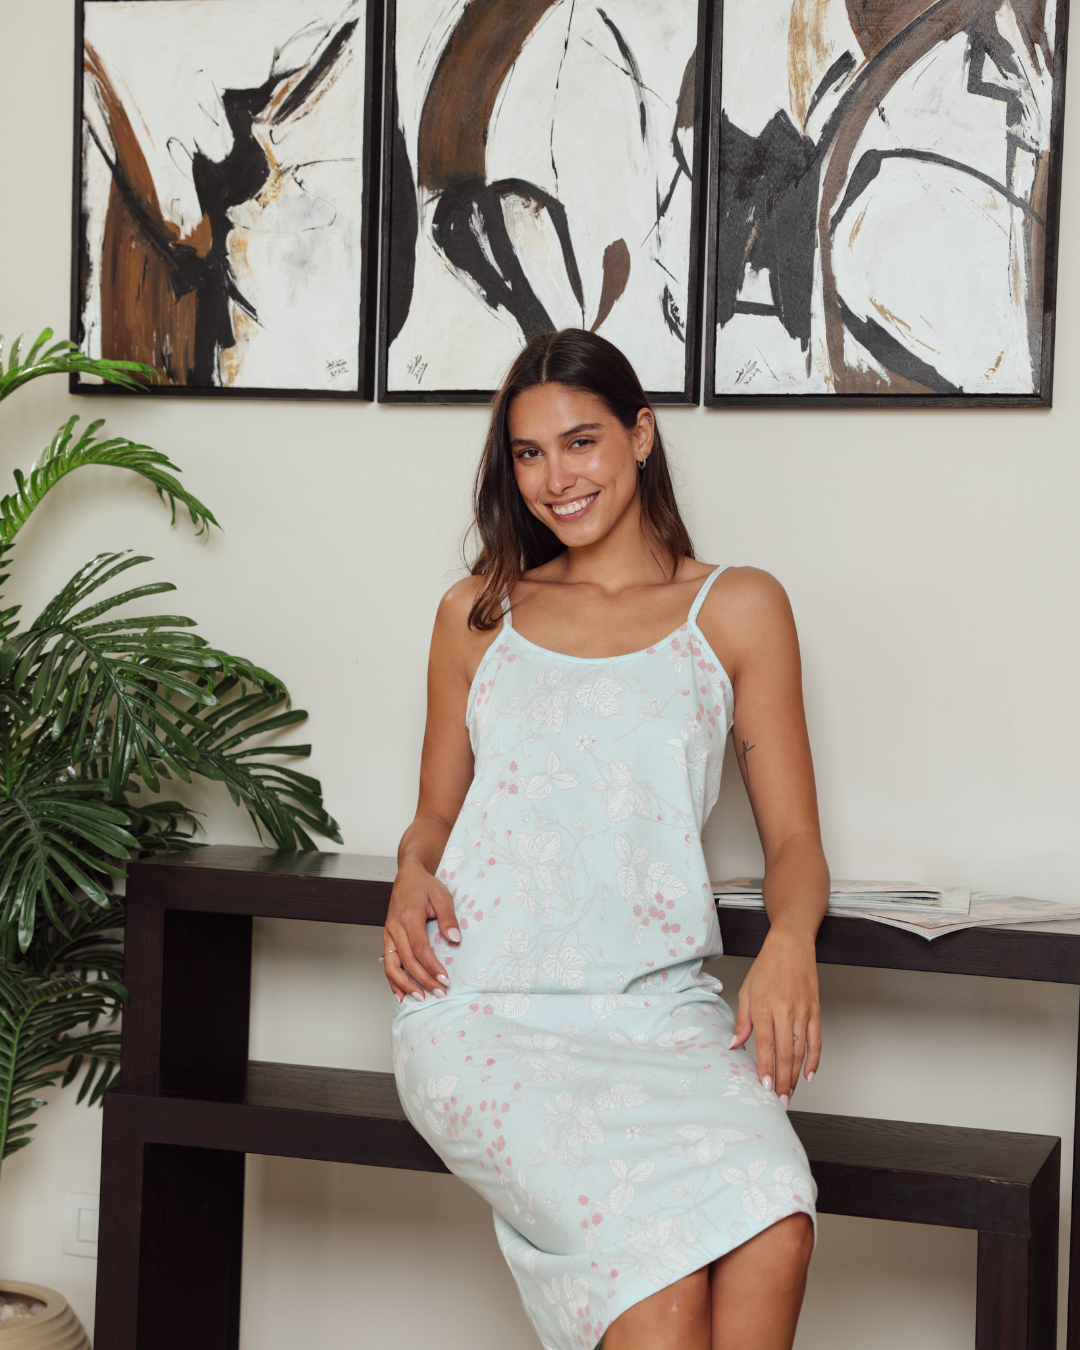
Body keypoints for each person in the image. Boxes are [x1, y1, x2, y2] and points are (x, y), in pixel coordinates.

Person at [383, 329, 828, 1350]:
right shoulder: (478, 614)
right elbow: (436, 816)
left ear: (641, 434)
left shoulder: (738, 608)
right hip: (482, 1008)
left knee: (777, 1229)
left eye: (580, 442)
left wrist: (790, 941)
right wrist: (411, 870)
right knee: (660, 1298)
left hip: (660, 1009)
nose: (556, 479)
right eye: (528, 454)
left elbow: (796, 841)